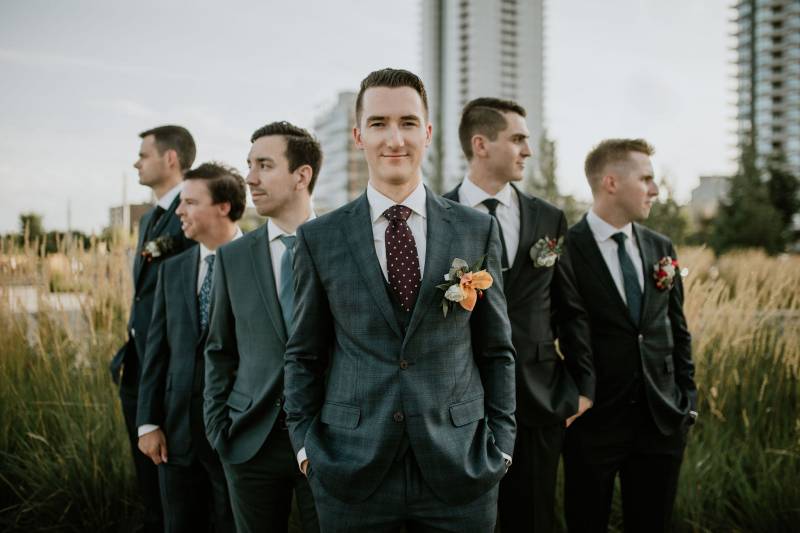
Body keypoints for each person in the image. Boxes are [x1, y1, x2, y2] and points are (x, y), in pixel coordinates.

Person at [283, 68, 516, 532]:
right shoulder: (317, 239)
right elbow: (303, 355)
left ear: (427, 133)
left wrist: (502, 445)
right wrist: (307, 450)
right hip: (351, 472)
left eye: (408, 122)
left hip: (461, 470)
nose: (395, 138)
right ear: (357, 136)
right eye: (378, 123)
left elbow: (496, 349)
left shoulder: (476, 229)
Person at [443, 97, 593, 533]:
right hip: (459, 398)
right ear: (481, 144)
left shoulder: (548, 218)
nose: (528, 150)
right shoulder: (438, 216)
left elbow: (571, 310)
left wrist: (583, 388)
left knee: (535, 517)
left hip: (540, 397)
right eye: (518, 139)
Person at [563, 139, 697, 532]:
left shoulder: (660, 247)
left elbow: (677, 329)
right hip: (594, 425)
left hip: (661, 422)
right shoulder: (568, 249)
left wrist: (688, 399)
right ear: (611, 183)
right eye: (646, 179)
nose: (655, 190)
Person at [203, 122, 321, 533]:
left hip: (329, 439)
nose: (250, 177)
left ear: (301, 175)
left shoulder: (342, 244)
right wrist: (219, 428)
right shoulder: (233, 257)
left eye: (265, 165)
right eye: (249, 165)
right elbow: (219, 349)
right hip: (249, 442)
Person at [136, 162, 245, 532]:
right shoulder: (173, 269)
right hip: (175, 434)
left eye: (190, 202)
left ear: (223, 207)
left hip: (236, 434)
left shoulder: (258, 261)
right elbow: (157, 351)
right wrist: (148, 421)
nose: (179, 211)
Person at [111, 125, 196, 533]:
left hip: (170, 366)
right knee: (146, 475)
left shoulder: (191, 211)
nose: (136, 162)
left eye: (143, 155)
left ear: (170, 159)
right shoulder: (148, 220)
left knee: (174, 482)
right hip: (137, 362)